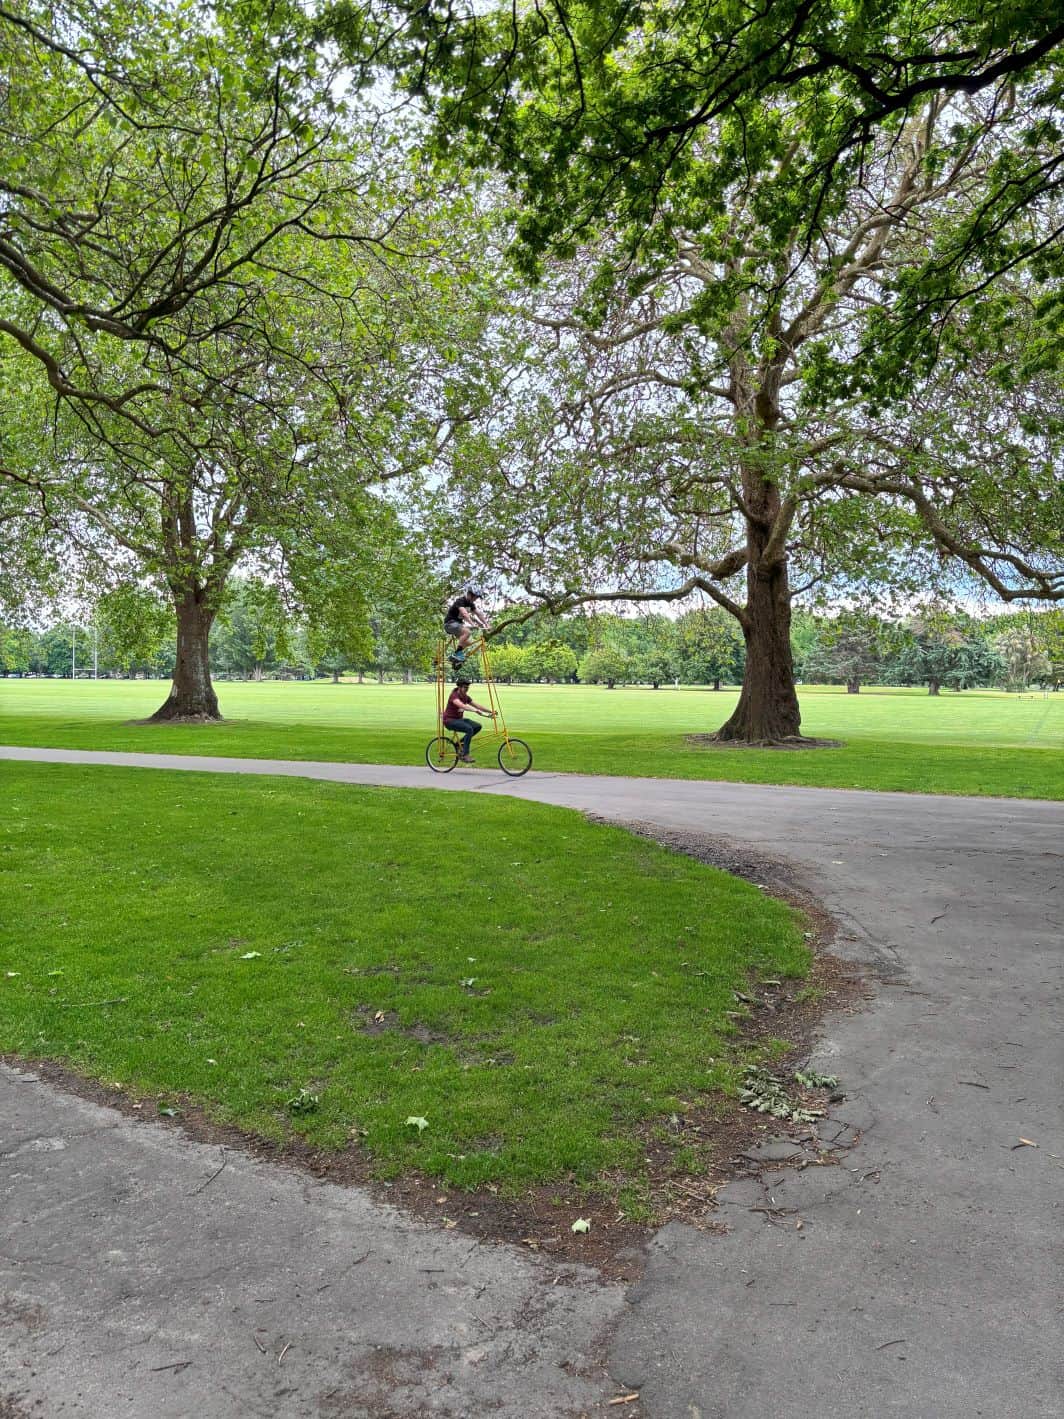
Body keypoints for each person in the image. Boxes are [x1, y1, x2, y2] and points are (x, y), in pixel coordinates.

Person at [442, 677, 495, 763]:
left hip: (459, 720)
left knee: (477, 726)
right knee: (469, 729)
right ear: (459, 687)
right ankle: (465, 754)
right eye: (465, 688)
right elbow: (462, 706)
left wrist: (490, 711)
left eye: (468, 688)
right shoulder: (454, 696)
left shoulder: (465, 697)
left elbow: (477, 705)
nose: (467, 689)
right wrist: (475, 710)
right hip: (449, 721)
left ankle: (458, 745)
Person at [443, 588, 490, 666]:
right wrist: (472, 624)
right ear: (469, 595)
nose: (475, 599)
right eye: (474, 597)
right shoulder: (460, 601)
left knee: (468, 642)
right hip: (449, 624)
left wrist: (487, 624)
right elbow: (464, 613)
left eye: (476, 598)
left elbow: (479, 614)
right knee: (467, 632)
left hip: (457, 625)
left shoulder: (471, 604)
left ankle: (454, 656)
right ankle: (457, 653)